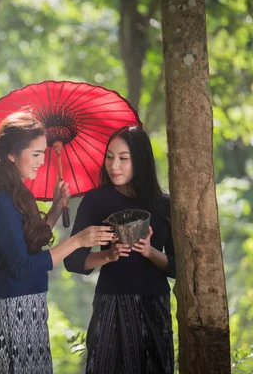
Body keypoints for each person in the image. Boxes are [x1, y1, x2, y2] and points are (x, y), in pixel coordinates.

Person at [0, 110, 117, 374]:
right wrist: (76, 241)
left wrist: (54, 210)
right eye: (36, 154)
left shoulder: (16, 194)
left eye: (44, 153)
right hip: (9, 313)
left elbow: (28, 242)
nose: (41, 161)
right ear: (11, 154)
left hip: (28, 307)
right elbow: (22, 266)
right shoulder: (0, 201)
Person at [64, 125, 176, 374]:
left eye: (124, 159)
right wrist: (108, 255)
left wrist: (150, 252)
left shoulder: (164, 204)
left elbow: (178, 267)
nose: (114, 165)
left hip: (153, 305)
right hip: (110, 302)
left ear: (141, 161)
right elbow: (72, 261)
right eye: (110, 157)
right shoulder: (96, 200)